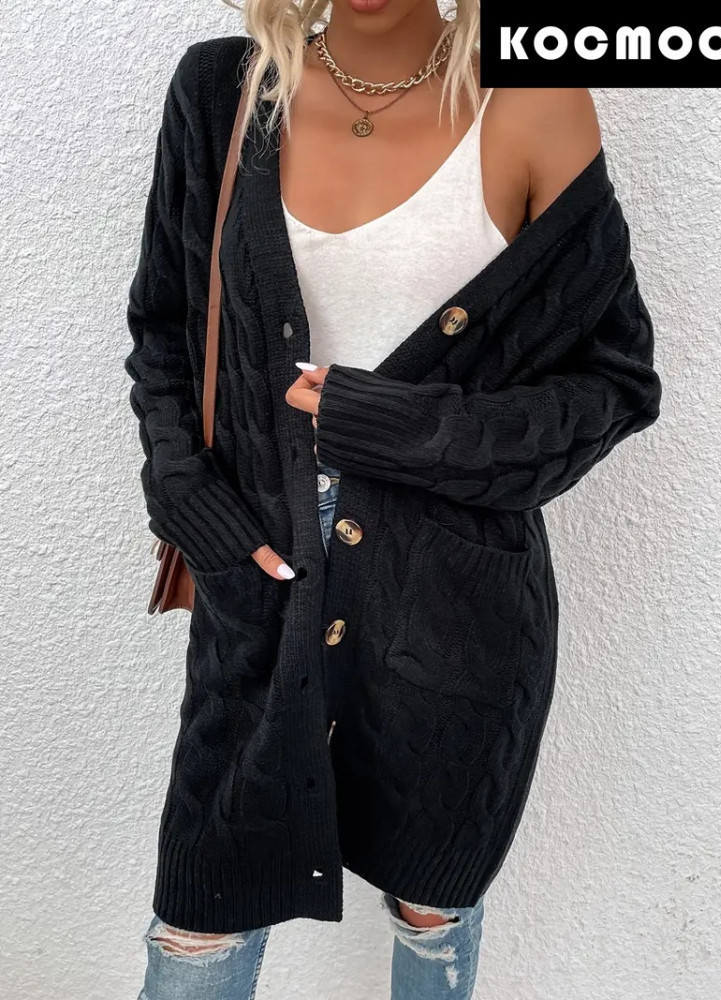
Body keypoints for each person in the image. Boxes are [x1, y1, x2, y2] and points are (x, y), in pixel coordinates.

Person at [125, 2, 662, 998]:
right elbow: (164, 325)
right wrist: (185, 493)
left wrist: (392, 425)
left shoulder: (534, 103)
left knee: (431, 907)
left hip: (452, 608)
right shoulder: (222, 92)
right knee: (201, 917)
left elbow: (613, 386)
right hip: (260, 584)